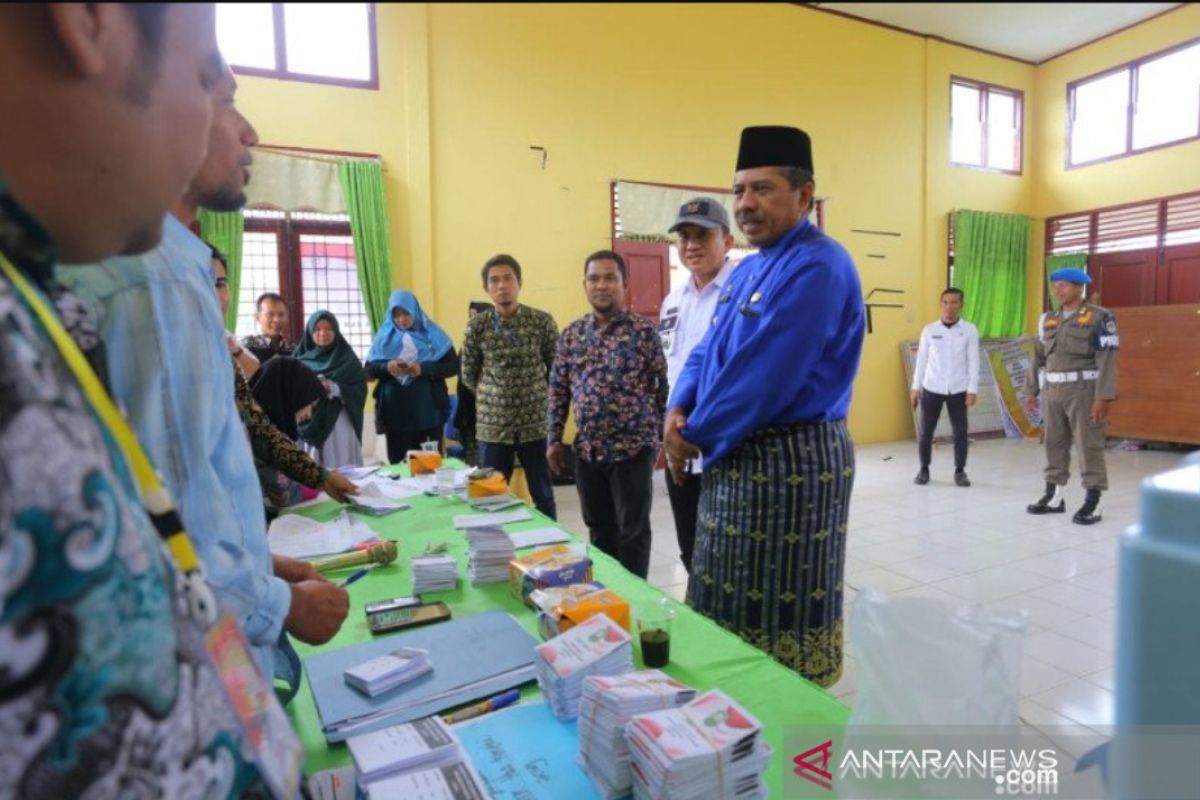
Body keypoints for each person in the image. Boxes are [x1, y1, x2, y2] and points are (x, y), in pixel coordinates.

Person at [0, 3, 290, 796]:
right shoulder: (141, 276)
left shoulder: (35, 295)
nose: (233, 128)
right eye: (206, 79)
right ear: (88, 19)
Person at [60, 64, 351, 692]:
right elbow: (173, 510)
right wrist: (281, 606)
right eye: (227, 101)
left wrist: (260, 562)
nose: (249, 131)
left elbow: (167, 479)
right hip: (199, 659)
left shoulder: (143, 260)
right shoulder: (155, 275)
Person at [663, 126, 865, 688]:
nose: (747, 204)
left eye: (763, 189)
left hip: (793, 465)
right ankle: (728, 702)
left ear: (804, 196)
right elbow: (707, 349)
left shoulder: (819, 266)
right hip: (734, 454)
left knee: (784, 607)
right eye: (740, 190)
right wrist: (677, 406)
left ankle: (784, 717)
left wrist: (689, 433)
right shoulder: (749, 268)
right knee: (722, 591)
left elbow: (764, 375)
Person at [548, 251, 667, 579]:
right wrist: (553, 439)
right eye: (594, 278)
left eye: (610, 278)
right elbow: (558, 390)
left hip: (633, 451)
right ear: (584, 285)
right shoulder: (572, 335)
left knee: (633, 532)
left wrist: (656, 438)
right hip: (588, 453)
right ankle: (608, 595)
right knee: (599, 530)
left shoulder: (644, 332)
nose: (602, 285)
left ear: (624, 284)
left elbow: (661, 388)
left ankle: (635, 598)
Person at [658, 196, 737, 573]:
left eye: (703, 236)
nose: (691, 245)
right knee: (690, 544)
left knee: (728, 549)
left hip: (726, 443)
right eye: (684, 236)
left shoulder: (742, 293)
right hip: (680, 441)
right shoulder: (673, 301)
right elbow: (672, 368)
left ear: (728, 241)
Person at [460, 255, 560, 519]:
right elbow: (468, 374)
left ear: (520, 283)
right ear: (486, 289)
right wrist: (494, 396)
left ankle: (553, 549)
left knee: (543, 494)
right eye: (495, 280)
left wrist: (539, 396)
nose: (502, 285)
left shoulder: (541, 322)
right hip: (494, 426)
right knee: (491, 495)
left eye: (508, 278)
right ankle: (496, 551)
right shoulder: (477, 327)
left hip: (535, 423)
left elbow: (557, 368)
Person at [1023, 268, 1118, 525]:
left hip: (1083, 391)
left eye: (1063, 285)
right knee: (1054, 443)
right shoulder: (1048, 320)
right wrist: (1030, 390)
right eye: (1056, 286)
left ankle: (1093, 500)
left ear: (1078, 287)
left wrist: (1103, 397)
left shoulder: (1100, 317)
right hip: (1052, 391)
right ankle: (1053, 496)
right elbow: (1038, 356)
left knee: (1088, 444)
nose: (1057, 290)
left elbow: (1107, 360)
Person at [366, 290, 461, 463]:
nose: (401, 320)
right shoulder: (384, 337)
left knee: (430, 465)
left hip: (429, 414)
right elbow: (369, 371)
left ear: (415, 311)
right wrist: (387, 367)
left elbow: (453, 366)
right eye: (396, 315)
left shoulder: (433, 334)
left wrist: (423, 369)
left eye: (406, 313)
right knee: (400, 466)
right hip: (396, 416)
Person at [910, 287, 980, 487]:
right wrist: (915, 388)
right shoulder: (930, 330)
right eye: (945, 302)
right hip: (932, 387)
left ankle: (960, 470)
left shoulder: (969, 330)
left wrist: (972, 389)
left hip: (958, 389)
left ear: (961, 305)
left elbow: (973, 361)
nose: (949, 307)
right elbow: (921, 360)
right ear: (941, 304)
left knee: (960, 432)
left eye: (954, 302)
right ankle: (924, 468)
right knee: (926, 432)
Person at [252, 357, 329, 508]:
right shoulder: (262, 432)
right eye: (310, 402)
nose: (309, 413)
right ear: (291, 394)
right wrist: (318, 482)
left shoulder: (261, 419)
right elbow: (283, 495)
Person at [295, 309, 367, 468]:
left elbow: (359, 390)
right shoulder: (297, 360)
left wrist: (334, 388)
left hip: (339, 425)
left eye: (329, 328)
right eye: (318, 329)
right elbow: (288, 389)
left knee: (342, 471)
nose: (324, 333)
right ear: (310, 331)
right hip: (308, 422)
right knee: (311, 478)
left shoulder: (348, 359)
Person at [211, 244, 262, 379]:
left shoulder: (223, 336)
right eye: (203, 284)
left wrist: (235, 350)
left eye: (220, 284)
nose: (215, 296)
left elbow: (255, 371)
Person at [454, 300, 493, 465]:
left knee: (492, 467)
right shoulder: (466, 345)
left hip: (492, 415)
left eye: (477, 316)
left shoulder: (496, 344)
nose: (473, 321)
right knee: (474, 468)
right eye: (470, 317)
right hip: (470, 414)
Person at [242, 291, 293, 364]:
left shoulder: (292, 348)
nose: (277, 320)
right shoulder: (246, 347)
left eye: (281, 315)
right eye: (270, 315)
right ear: (257, 317)